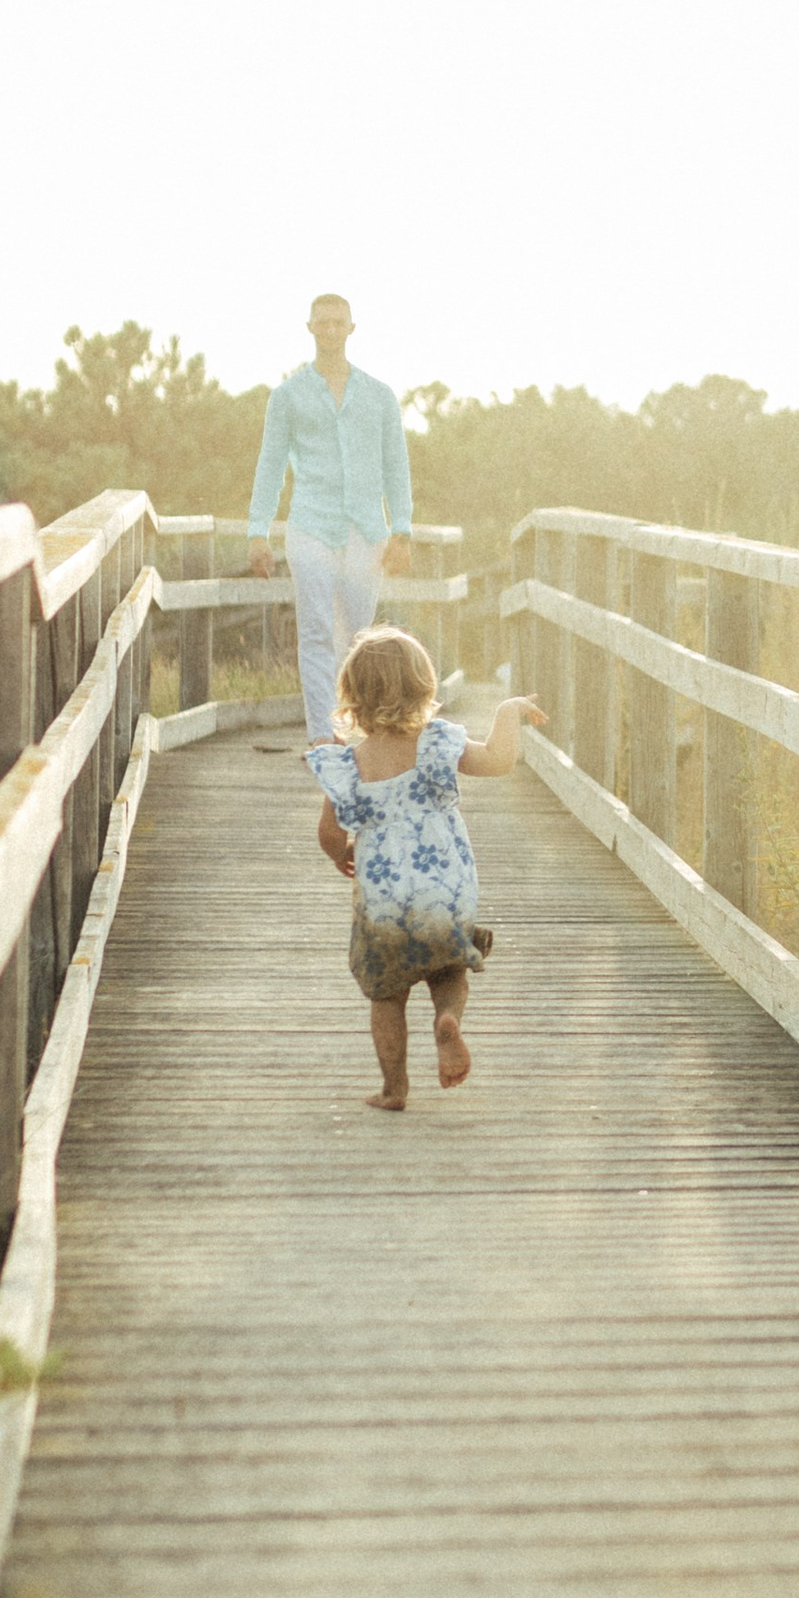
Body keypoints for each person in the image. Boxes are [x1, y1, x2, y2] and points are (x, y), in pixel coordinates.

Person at [309, 626, 546, 1111]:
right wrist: (506, 712)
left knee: (387, 995)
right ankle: (448, 1020)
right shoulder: (438, 745)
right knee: (448, 969)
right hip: (445, 890)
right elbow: (500, 760)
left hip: (383, 903)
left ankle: (394, 1088)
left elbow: (329, 832)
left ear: (352, 698)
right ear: (424, 686)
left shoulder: (350, 765)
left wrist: (341, 855)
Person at [247, 293, 417, 744]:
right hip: (310, 524)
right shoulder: (288, 396)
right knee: (317, 630)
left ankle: (358, 731)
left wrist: (402, 528)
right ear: (310, 328)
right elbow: (271, 465)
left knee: (360, 637)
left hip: (366, 528)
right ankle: (324, 736)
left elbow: (396, 465)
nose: (330, 329)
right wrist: (257, 531)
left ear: (351, 328)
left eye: (338, 322)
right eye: (322, 322)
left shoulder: (379, 396)